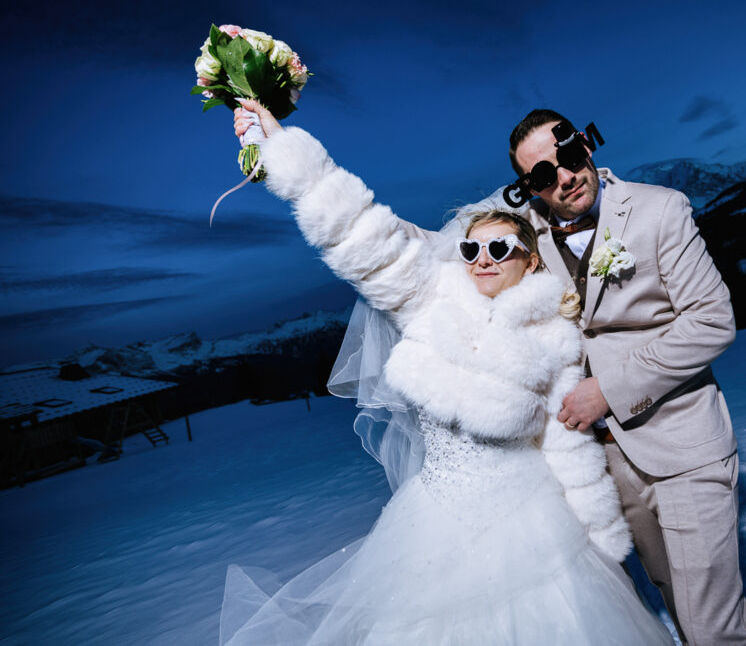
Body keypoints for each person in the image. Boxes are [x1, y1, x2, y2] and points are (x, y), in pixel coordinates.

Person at [218, 100, 674, 645]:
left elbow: (565, 442)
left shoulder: (555, 338)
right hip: (432, 524)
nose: (483, 258)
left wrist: (599, 534)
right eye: (471, 248)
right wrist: (286, 151)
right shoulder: (430, 302)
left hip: (532, 523)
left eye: (499, 247)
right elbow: (362, 237)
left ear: (529, 260)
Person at [507, 109, 746, 645]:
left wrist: (609, 389)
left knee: (713, 631)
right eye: (543, 175)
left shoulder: (659, 209)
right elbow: (441, 241)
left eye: (570, 158)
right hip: (606, 464)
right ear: (529, 188)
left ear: (587, 148)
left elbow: (712, 320)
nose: (565, 177)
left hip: (684, 447)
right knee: (672, 597)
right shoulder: (530, 236)